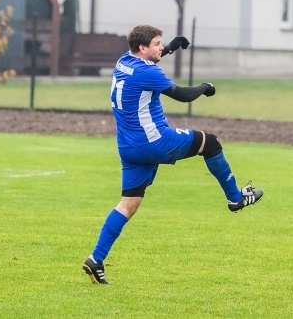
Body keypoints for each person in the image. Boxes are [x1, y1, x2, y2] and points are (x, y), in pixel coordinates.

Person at [82, 25, 263, 284]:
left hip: (128, 148)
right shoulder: (148, 72)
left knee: (128, 204)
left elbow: (149, 58)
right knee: (209, 143)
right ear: (143, 48)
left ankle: (96, 259)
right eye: (156, 43)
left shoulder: (124, 61)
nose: (159, 47)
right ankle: (235, 199)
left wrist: (170, 48)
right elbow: (182, 95)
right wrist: (205, 87)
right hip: (155, 141)